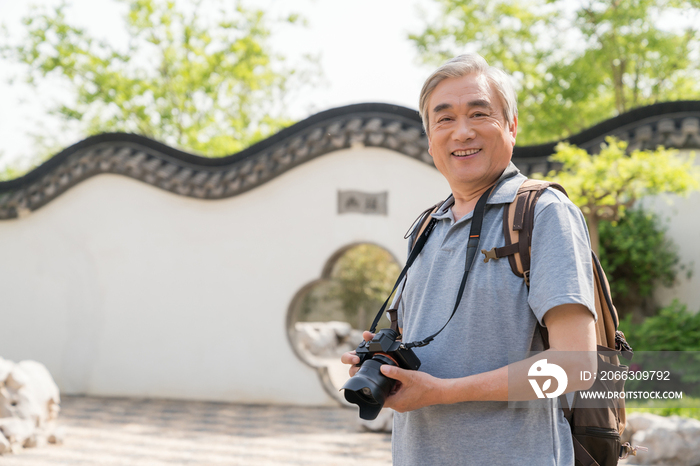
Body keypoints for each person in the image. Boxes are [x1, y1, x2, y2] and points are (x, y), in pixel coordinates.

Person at [341, 53, 598, 465]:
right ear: (429, 139)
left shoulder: (542, 213)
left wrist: (443, 392)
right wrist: (386, 364)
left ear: (511, 127)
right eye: (444, 119)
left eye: (479, 114)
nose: (462, 132)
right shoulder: (426, 227)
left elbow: (575, 366)